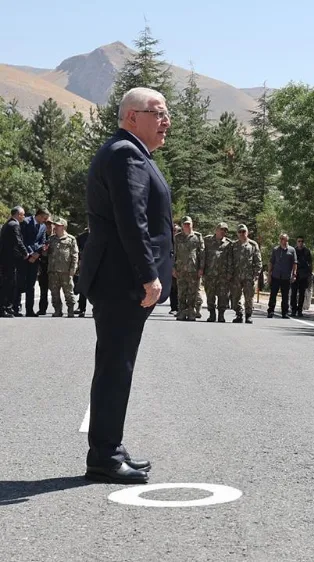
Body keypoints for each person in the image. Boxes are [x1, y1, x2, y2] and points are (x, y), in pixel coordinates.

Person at [79, 86, 174, 484]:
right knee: (116, 366)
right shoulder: (126, 154)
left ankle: (110, 448)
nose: (166, 120)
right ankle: (103, 455)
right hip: (123, 281)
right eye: (158, 112)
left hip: (119, 278)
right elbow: (131, 221)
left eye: (168, 112)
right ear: (132, 117)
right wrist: (148, 274)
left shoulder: (131, 153)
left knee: (117, 364)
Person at [228, 224, 262, 324]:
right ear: (237, 233)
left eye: (244, 232)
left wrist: (256, 274)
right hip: (236, 276)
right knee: (235, 297)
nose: (242, 234)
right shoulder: (233, 245)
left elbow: (258, 260)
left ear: (247, 232)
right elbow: (230, 260)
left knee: (249, 297)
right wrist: (229, 273)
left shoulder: (253, 244)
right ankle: (239, 314)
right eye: (240, 232)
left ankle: (248, 315)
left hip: (249, 276)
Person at [19, 208, 50, 316]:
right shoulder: (26, 222)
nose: (45, 221)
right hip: (24, 257)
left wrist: (37, 254)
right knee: (20, 282)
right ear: (39, 215)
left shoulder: (43, 226)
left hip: (35, 258)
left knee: (31, 285)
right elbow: (22, 240)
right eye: (44, 218)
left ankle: (29, 310)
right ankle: (15, 307)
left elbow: (42, 242)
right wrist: (31, 253)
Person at [46, 217, 79, 317]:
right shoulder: (51, 239)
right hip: (53, 270)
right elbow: (46, 254)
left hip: (66, 271)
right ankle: (57, 310)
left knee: (68, 292)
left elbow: (75, 255)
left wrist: (73, 268)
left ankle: (70, 310)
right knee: (54, 293)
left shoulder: (71, 239)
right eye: (55, 225)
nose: (55, 227)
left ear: (63, 227)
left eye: (58, 225)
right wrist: (44, 251)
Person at [173, 216, 204, 321]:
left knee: (193, 292)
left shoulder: (197, 237)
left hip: (193, 270)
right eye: (185, 224)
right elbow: (173, 254)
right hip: (181, 269)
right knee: (181, 292)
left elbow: (202, 254)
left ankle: (191, 311)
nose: (187, 226)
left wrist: (201, 268)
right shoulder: (177, 238)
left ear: (192, 224)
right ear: (182, 225)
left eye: (188, 224)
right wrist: (173, 268)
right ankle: (181, 311)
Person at [0, 206, 29, 317]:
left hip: (6, 259)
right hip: (9, 259)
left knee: (10, 283)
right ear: (17, 214)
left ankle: (8, 307)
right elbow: (18, 240)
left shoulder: (8, 224)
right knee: (7, 284)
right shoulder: (14, 225)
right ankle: (3, 308)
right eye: (23, 214)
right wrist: (25, 252)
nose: (24, 216)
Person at [203, 222, 232, 323]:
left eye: (225, 230)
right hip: (210, 274)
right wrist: (201, 269)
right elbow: (203, 255)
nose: (223, 232)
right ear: (216, 229)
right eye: (221, 229)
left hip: (223, 275)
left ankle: (221, 315)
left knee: (223, 296)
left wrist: (229, 273)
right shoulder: (207, 240)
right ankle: (212, 314)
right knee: (210, 295)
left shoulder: (229, 244)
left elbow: (230, 260)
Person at [268, 233, 297, 318]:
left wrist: (294, 274)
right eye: (281, 239)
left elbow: (294, 263)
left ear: (287, 240)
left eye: (283, 239)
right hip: (276, 275)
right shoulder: (275, 250)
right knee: (273, 294)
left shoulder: (292, 250)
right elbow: (271, 262)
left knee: (285, 296)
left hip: (286, 277)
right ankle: (270, 311)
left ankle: (285, 312)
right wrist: (269, 274)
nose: (282, 240)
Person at [291, 236, 313, 317]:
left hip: (303, 275)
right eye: (299, 241)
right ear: (296, 242)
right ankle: (293, 309)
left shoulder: (307, 251)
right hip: (295, 274)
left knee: (302, 293)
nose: (300, 242)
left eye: (302, 241)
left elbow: (310, 263)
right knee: (293, 293)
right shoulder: (293, 250)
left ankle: (300, 310)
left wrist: (309, 274)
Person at [74, 224, 90, 317]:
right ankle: (81, 307)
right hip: (84, 265)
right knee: (83, 287)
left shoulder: (102, 235)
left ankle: (96, 308)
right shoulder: (82, 237)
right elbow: (76, 250)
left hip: (99, 265)